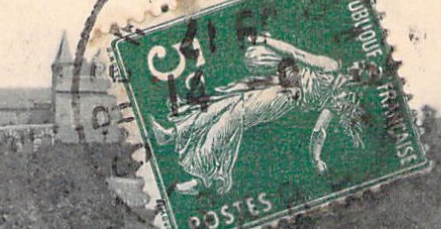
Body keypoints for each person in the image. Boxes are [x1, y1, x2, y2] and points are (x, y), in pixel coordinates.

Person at [147, 35, 365, 196]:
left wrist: (316, 157)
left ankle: (202, 178)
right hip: (275, 79)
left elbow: (319, 130)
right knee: (224, 100)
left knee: (232, 118)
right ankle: (172, 133)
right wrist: (266, 42)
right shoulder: (332, 66)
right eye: (362, 64)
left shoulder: (339, 98)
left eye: (365, 71)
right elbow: (297, 54)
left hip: (283, 97)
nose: (358, 66)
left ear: (362, 81)